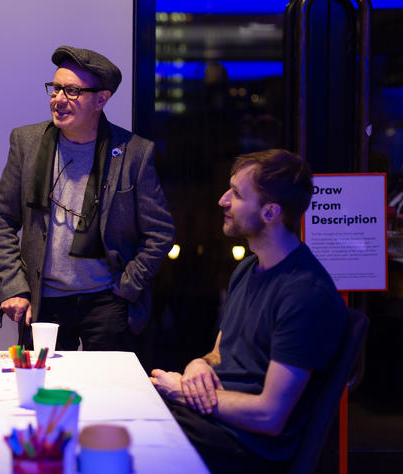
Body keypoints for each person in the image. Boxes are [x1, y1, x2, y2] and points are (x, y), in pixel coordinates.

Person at [149, 149, 348, 473]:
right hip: (214, 421)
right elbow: (218, 353)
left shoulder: (305, 294)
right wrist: (199, 364)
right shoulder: (249, 267)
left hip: (247, 445)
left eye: (237, 194)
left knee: (122, 439)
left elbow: (269, 415)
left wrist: (183, 392)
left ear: (270, 212)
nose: (223, 200)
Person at [0, 45, 174, 351]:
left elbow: (161, 233)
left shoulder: (134, 153)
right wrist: (13, 284)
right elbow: (2, 218)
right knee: (44, 391)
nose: (58, 99)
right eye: (56, 88)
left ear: (101, 99)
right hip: (44, 301)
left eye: (72, 91)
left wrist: (127, 286)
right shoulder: (27, 143)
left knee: (107, 394)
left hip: (106, 302)